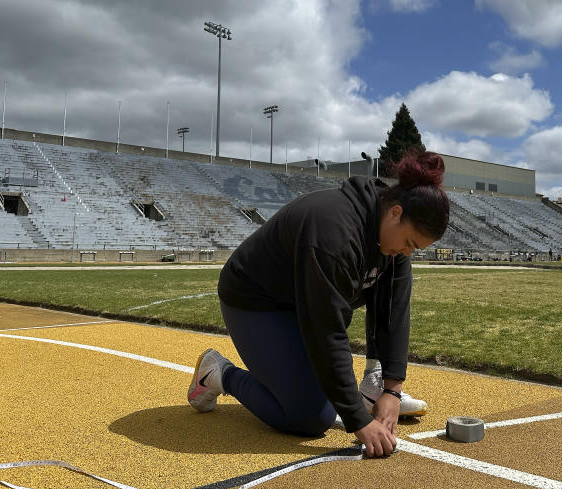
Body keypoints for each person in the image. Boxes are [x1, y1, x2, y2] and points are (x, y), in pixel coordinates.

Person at [187, 152, 450, 458]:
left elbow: (392, 312)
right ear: (394, 212)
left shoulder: (393, 242)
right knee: (309, 416)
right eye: (410, 243)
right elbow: (326, 332)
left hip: (299, 301)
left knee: (327, 399)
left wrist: (392, 389)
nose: (407, 253)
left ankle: (370, 389)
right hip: (256, 300)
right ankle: (220, 373)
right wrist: (359, 419)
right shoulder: (333, 234)